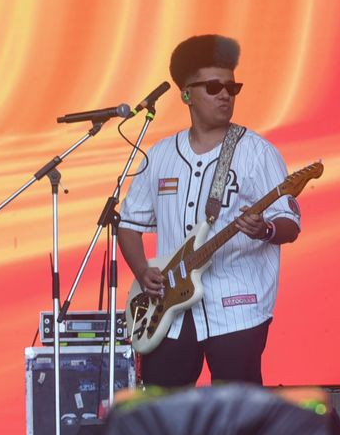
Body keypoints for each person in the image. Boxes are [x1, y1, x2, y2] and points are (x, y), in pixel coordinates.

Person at [117, 34, 302, 387]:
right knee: (163, 409)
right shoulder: (160, 155)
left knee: (235, 411)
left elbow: (290, 222)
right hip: (168, 311)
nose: (225, 95)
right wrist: (142, 271)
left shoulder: (257, 153)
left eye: (232, 88)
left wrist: (264, 229)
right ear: (186, 94)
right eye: (214, 87)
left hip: (237, 307)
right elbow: (127, 223)